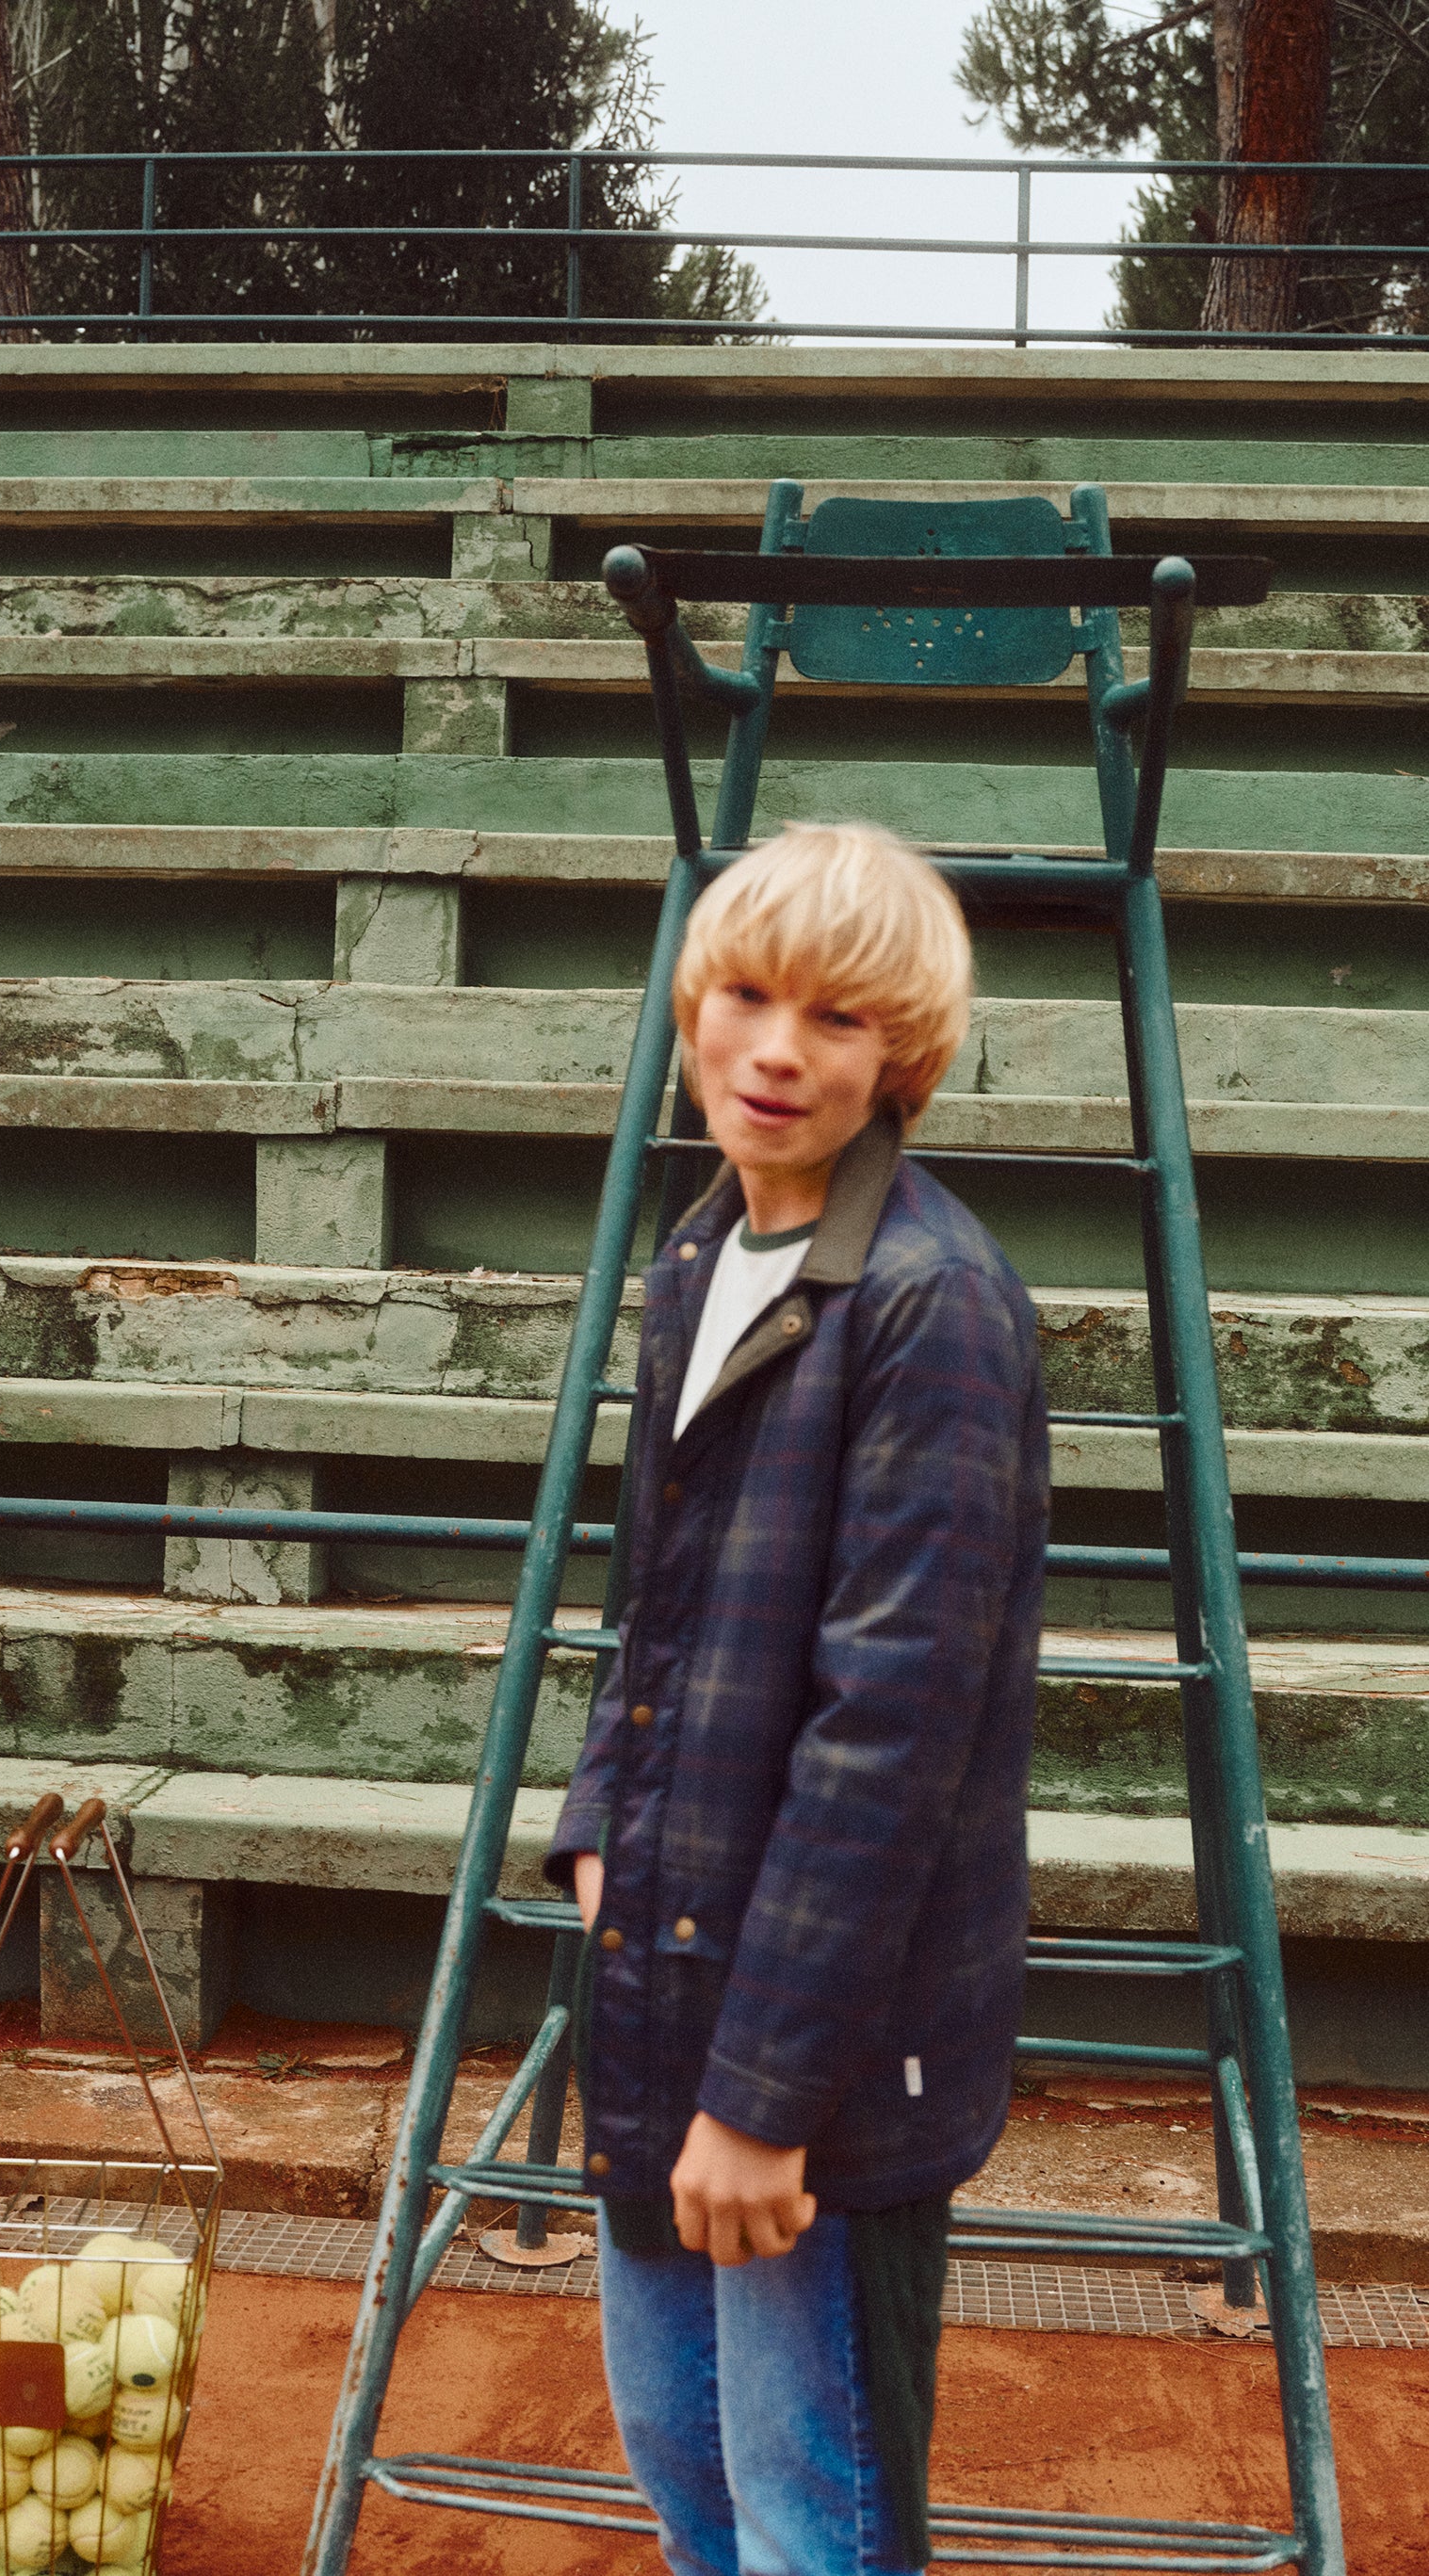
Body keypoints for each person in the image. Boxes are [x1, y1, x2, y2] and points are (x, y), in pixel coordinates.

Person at [545, 821, 1050, 2576]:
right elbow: (654, 1609)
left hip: (819, 2056)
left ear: (902, 1058)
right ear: (691, 1009)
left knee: (810, 2528)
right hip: (660, 1977)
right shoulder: (701, 1259)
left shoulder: (935, 1305)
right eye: (748, 997)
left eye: (837, 1019)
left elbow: (886, 1746)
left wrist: (765, 2103)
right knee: (692, 2493)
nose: (776, 1049)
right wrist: (597, 1828)